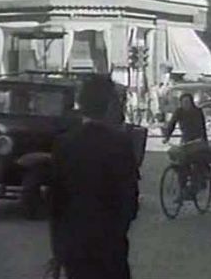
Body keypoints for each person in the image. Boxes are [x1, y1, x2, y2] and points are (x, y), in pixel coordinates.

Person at [50, 75, 139, 279]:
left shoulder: (64, 144)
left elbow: (56, 203)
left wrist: (58, 251)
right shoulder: (120, 144)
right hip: (110, 248)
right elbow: (129, 202)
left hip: (75, 248)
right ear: (109, 105)